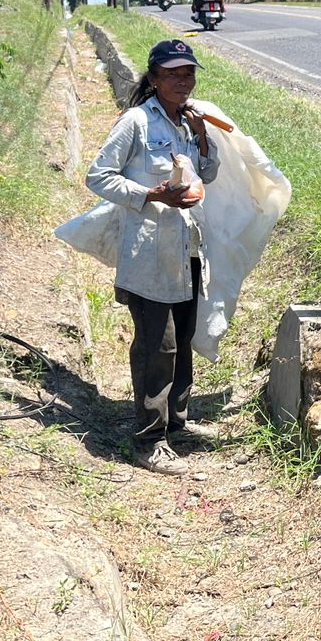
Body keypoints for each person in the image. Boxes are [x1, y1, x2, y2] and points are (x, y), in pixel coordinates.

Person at [86, 38, 221, 475]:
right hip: (149, 253)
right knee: (156, 348)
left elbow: (209, 174)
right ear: (154, 77)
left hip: (186, 249)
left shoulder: (188, 121)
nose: (183, 80)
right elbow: (98, 176)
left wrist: (203, 138)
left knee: (182, 342)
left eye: (189, 73)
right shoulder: (137, 123)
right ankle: (149, 440)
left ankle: (176, 423)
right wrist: (149, 194)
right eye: (173, 73)